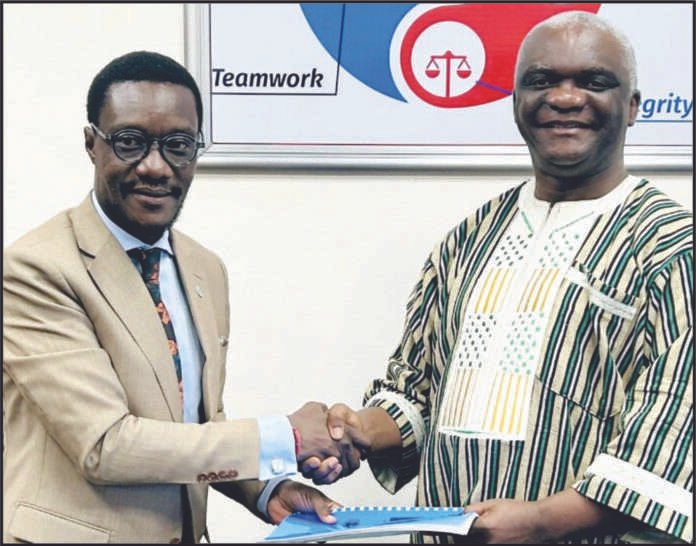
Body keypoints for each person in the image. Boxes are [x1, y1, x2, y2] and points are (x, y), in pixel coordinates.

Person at [301, 11, 693, 544]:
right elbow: (416, 392)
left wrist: (541, 522)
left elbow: (672, 429)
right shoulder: (468, 239)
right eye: (542, 80)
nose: (565, 97)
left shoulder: (672, 248)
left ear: (633, 107)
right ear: (515, 104)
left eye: (594, 81)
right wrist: (357, 429)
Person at [2, 50, 359, 543]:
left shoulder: (203, 268)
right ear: (91, 144)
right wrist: (286, 436)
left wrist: (267, 490)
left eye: (178, 145)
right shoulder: (35, 269)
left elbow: (196, 424)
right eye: (130, 142)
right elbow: (106, 445)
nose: (156, 167)